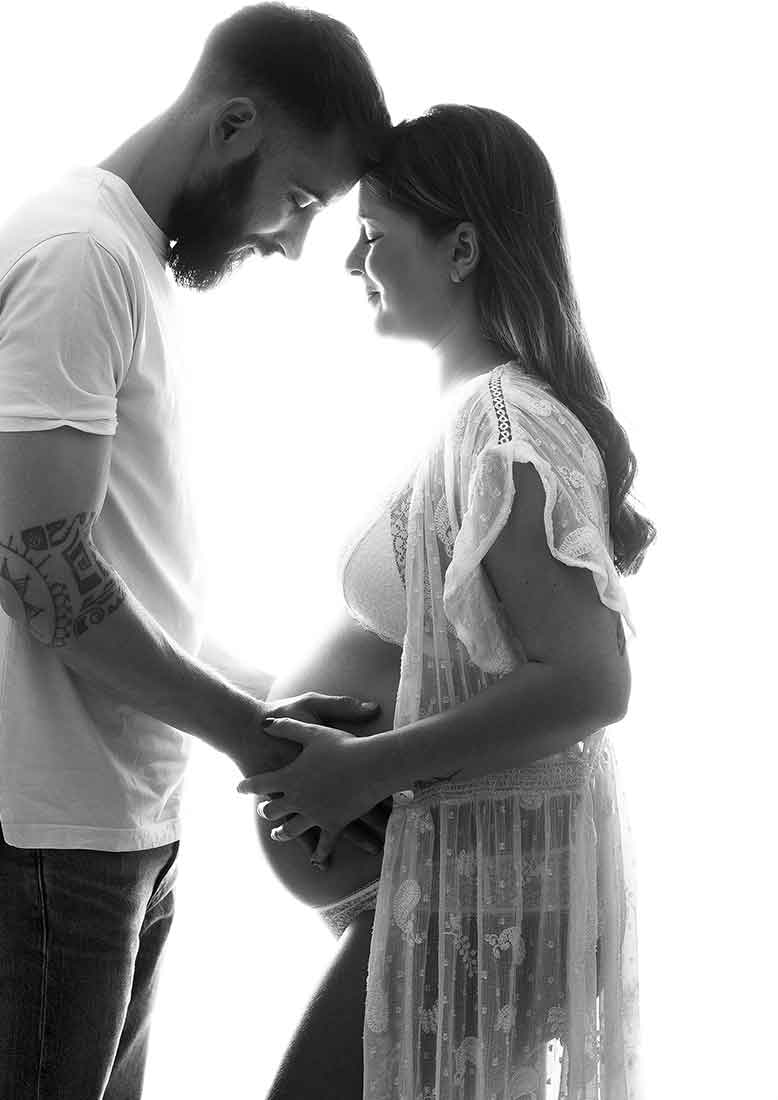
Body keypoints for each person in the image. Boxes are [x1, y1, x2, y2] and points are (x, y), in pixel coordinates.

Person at [0, 6, 389, 1098]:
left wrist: (272, 699)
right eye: (303, 198)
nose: (291, 238)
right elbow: (50, 581)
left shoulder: (123, 258)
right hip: (46, 835)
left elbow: (121, 572)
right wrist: (257, 739)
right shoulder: (82, 257)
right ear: (232, 123)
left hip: (107, 819)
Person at [240, 105, 653, 1099]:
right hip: (442, 875)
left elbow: (591, 682)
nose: (351, 263)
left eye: (375, 237)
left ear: (460, 247)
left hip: (493, 889)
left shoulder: (504, 426)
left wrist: (361, 769)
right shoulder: (463, 420)